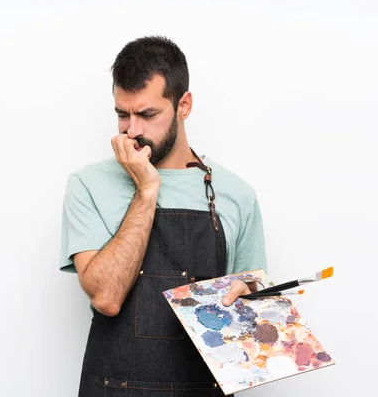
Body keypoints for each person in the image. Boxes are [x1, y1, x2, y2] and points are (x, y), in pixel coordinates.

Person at [59, 35, 267, 397]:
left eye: (147, 114)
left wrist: (251, 297)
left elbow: (253, 310)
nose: (132, 130)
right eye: (123, 114)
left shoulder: (237, 196)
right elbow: (106, 297)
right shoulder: (87, 185)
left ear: (183, 105)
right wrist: (146, 190)